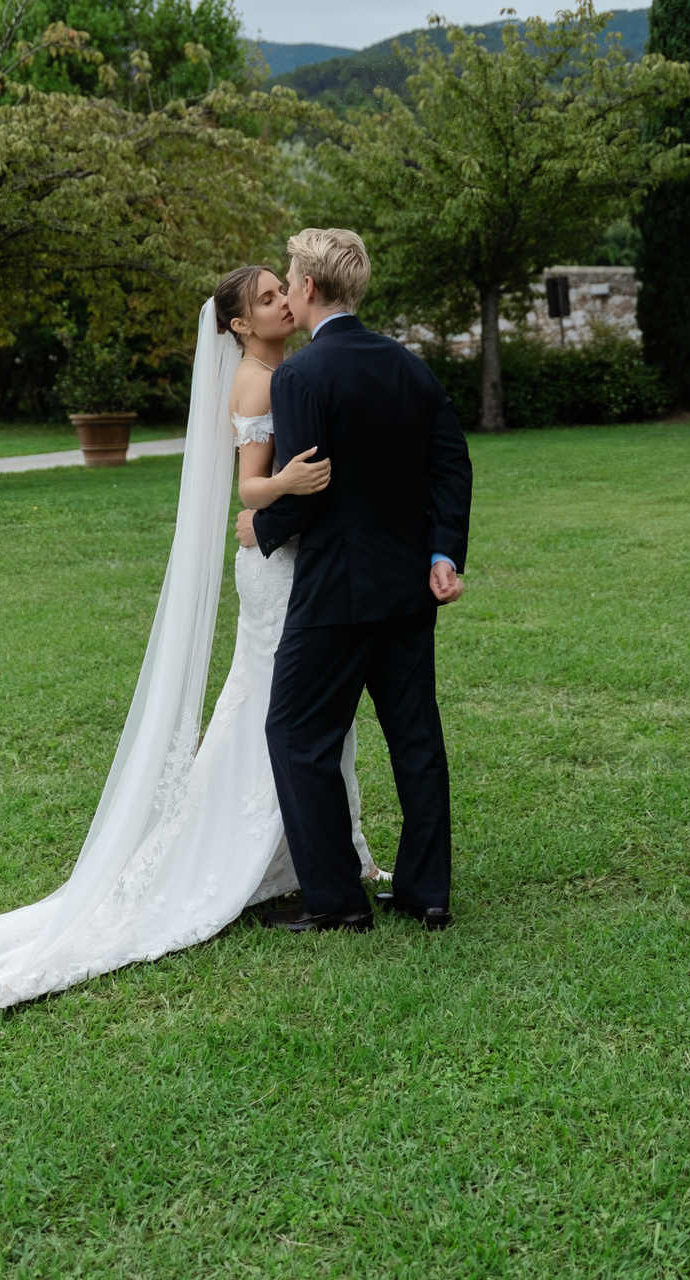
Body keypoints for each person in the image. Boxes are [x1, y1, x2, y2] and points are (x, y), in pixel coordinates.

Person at [0, 265, 386, 1019]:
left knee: (304, 711)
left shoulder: (283, 372)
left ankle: (317, 854)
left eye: (280, 290)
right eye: (265, 299)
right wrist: (287, 486)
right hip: (275, 571)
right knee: (282, 711)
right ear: (239, 325)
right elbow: (250, 488)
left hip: (295, 564)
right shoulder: (256, 383)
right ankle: (272, 855)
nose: (280, 303)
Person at [237, 228, 473, 934]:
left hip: (334, 590)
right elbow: (451, 465)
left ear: (309, 286)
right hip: (407, 587)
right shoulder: (410, 368)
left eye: (289, 279)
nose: (287, 290)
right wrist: (443, 553)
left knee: (294, 732)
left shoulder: (300, 376)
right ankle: (427, 893)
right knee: (416, 738)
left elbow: (309, 486)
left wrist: (261, 526)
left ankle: (336, 899)